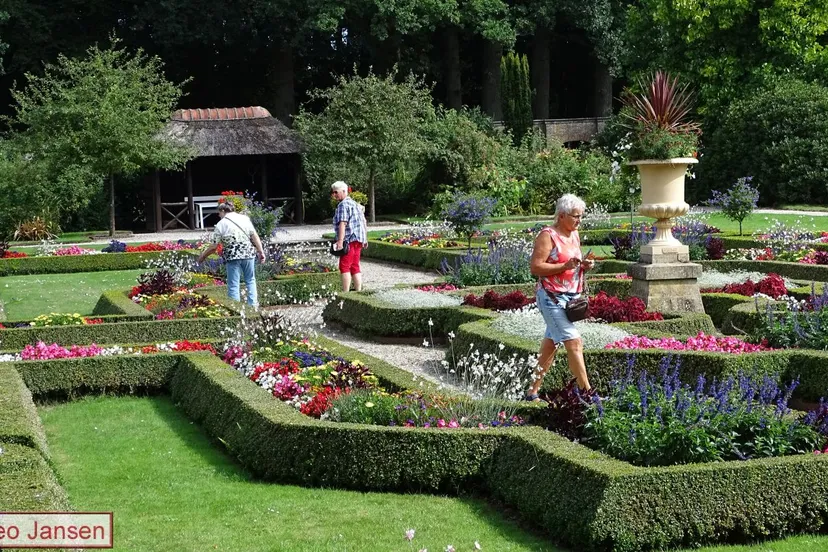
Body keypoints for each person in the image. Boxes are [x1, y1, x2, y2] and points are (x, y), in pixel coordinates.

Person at [525, 193, 595, 400]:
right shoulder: (548, 235)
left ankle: (532, 392)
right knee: (574, 343)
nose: (579, 220)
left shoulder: (574, 234)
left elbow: (573, 264)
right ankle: (588, 394)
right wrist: (564, 266)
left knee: (550, 345)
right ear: (562, 215)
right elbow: (536, 267)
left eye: (581, 216)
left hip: (570, 298)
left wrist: (584, 265)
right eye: (576, 216)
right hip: (551, 298)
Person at [197, 201, 266, 307]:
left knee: (233, 284)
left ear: (223, 210)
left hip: (233, 255)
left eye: (219, 213)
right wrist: (261, 251)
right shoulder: (245, 219)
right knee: (250, 280)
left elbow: (214, 246)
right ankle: (253, 306)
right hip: (248, 253)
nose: (219, 215)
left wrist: (203, 256)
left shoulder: (221, 224)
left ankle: (235, 308)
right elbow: (254, 236)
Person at [331, 181, 368, 292]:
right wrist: (365, 239)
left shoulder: (343, 205)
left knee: (344, 266)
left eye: (336, 192)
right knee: (355, 266)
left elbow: (343, 223)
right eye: (333, 192)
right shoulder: (355, 204)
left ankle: (346, 293)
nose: (334, 195)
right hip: (358, 239)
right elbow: (364, 222)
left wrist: (340, 241)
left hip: (349, 240)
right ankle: (358, 292)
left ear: (344, 191)